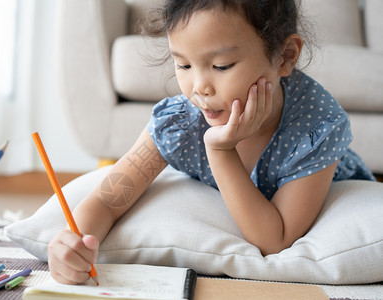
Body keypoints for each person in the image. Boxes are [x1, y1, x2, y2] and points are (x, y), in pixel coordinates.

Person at [47, 0, 376, 284]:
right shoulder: (180, 120)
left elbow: (274, 240)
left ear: (285, 57)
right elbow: (109, 199)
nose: (199, 87)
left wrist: (220, 150)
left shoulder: (315, 125)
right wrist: (73, 240)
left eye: (221, 66)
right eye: (184, 64)